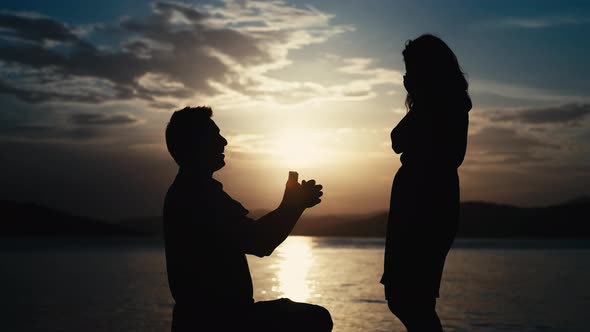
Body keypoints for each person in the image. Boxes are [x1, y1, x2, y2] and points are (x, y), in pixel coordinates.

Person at [163, 106, 332, 332]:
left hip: (209, 318)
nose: (223, 142)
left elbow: (255, 237)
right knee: (316, 319)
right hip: (220, 321)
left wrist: (294, 206)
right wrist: (293, 205)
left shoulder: (191, 191)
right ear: (194, 145)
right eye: (214, 136)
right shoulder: (197, 195)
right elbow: (260, 241)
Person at [381, 34, 471, 332]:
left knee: (407, 297)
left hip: (425, 203)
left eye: (411, 70)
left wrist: (418, 96)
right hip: (424, 199)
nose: (407, 77)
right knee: (411, 297)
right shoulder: (447, 101)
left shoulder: (439, 104)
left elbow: (397, 140)